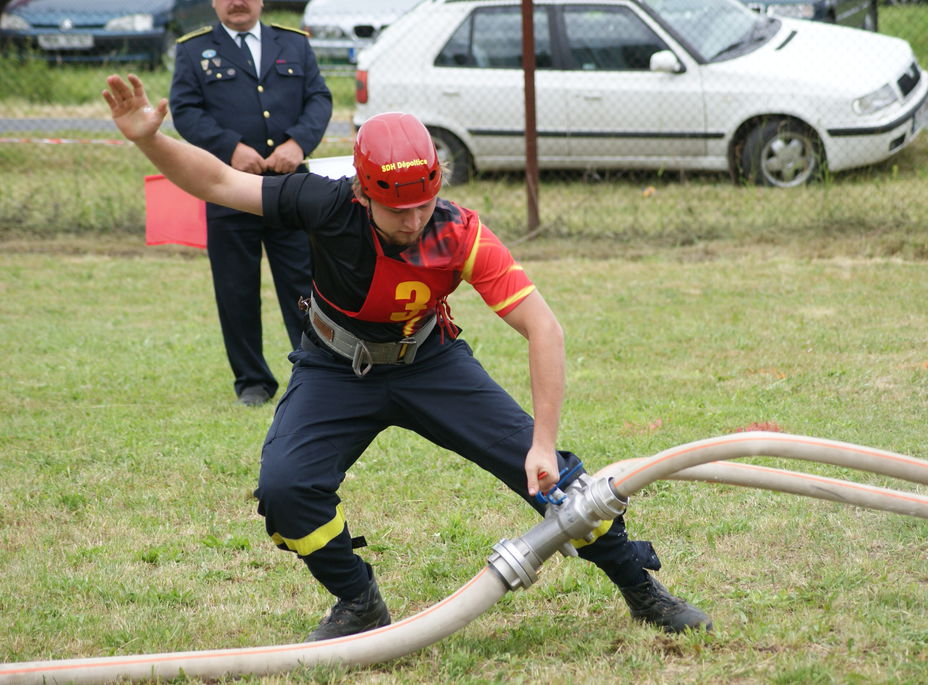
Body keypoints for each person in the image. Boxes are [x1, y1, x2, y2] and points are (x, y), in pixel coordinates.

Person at [103, 73, 712, 641]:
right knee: (286, 490)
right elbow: (218, 183)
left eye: (425, 202)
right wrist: (150, 140)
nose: (415, 220)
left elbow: (544, 329)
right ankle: (358, 601)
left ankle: (642, 590)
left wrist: (543, 444)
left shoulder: (459, 232)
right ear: (363, 192)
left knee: (562, 484)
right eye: (398, 209)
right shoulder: (322, 202)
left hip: (429, 361)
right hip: (336, 366)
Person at [169, 0, 332, 406]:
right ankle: (253, 382)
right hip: (228, 188)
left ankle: (314, 373)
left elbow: (319, 98)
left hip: (290, 190)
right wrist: (229, 148)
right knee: (235, 289)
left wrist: (298, 143)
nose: (237, 2)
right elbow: (185, 111)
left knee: (303, 286)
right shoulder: (193, 50)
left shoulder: (294, 44)